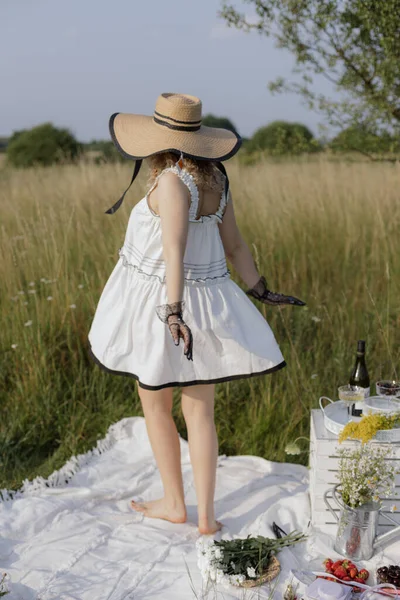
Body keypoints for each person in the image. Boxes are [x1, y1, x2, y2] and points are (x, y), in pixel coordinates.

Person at [87, 93, 305, 535]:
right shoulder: (216, 179)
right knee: (200, 413)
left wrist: (171, 314)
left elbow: (173, 253)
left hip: (166, 306)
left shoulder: (170, 182)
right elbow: (236, 246)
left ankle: (174, 504)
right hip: (207, 302)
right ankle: (206, 517)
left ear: (156, 140)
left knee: (156, 406)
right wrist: (260, 289)